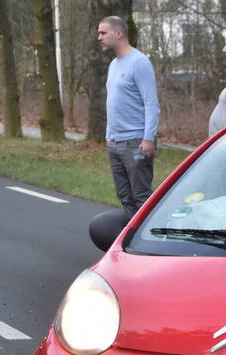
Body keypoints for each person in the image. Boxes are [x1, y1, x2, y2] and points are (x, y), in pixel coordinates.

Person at [97, 16, 160, 216]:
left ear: (119, 33)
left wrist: (148, 138)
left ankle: (149, 242)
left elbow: (151, 104)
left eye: (103, 33)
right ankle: (130, 241)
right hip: (115, 142)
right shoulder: (114, 64)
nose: (99, 37)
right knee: (124, 196)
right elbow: (113, 101)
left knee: (141, 196)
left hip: (136, 142)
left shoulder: (139, 62)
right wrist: (109, 135)